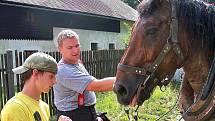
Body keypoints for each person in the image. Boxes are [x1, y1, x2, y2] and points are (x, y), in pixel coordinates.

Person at [54, 29, 115, 121]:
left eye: (77, 45)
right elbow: (98, 86)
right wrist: (126, 79)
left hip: (86, 111)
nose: (75, 50)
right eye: (70, 47)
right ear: (60, 49)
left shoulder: (76, 63)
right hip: (74, 115)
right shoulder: (64, 71)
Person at [0, 52, 72, 121]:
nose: (55, 81)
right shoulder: (15, 108)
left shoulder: (44, 107)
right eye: (51, 76)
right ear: (35, 73)